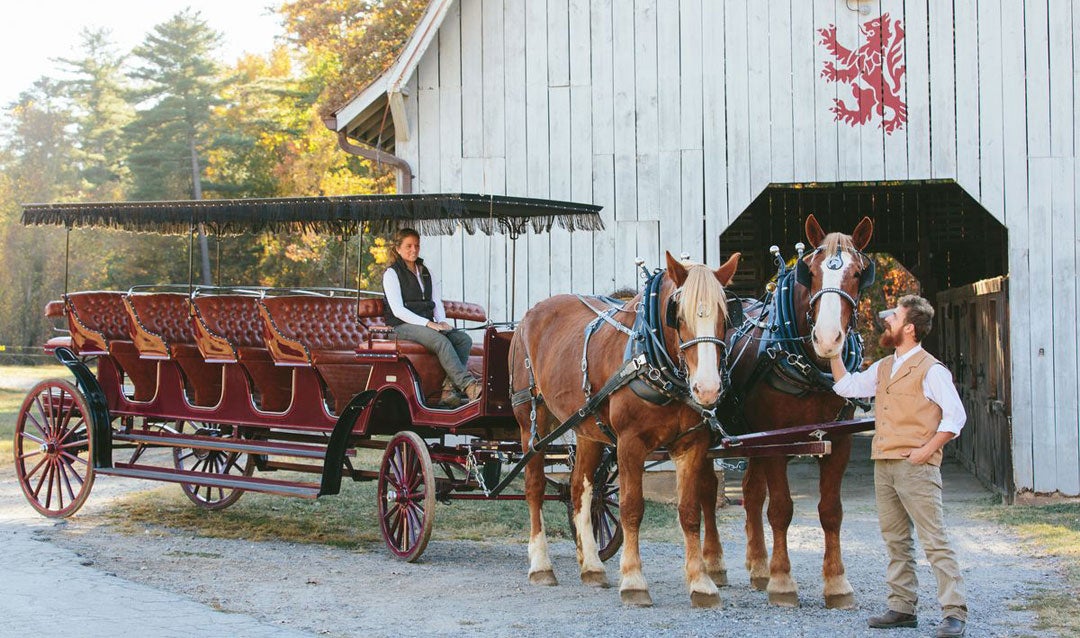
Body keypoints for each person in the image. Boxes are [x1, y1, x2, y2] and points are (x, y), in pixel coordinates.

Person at [829, 295, 968, 638]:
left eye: (894, 315)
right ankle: (902, 607)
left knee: (934, 540)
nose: (886, 319)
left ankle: (954, 612)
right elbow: (848, 386)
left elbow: (956, 418)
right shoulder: (884, 367)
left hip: (916, 467)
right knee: (896, 541)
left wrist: (926, 451)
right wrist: (834, 352)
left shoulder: (932, 369)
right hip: (885, 465)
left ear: (909, 327)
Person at [382, 228, 481, 407]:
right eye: (409, 246)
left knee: (463, 339)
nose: (414, 250)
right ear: (398, 249)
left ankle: (448, 389)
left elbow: (436, 300)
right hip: (400, 327)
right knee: (440, 341)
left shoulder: (425, 271)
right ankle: (468, 385)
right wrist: (428, 323)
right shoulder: (391, 274)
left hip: (427, 325)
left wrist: (441, 321)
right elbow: (397, 310)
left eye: (417, 246)